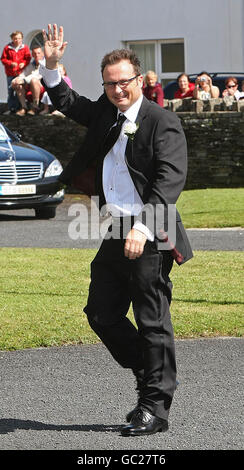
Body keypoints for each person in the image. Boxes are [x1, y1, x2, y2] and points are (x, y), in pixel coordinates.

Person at [41, 24, 193, 437]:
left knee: (151, 319)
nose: (116, 90)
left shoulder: (162, 121)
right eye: (109, 84)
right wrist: (52, 66)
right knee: (101, 314)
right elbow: (68, 102)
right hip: (115, 228)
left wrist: (143, 228)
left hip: (153, 227)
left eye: (123, 82)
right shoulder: (107, 113)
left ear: (139, 80)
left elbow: (169, 180)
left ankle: (155, 408)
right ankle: (150, 370)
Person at [1, 31, 31, 113]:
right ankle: (11, 108)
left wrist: (24, 63)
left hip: (21, 73)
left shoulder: (25, 48)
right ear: (12, 39)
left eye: (19, 38)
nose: (17, 40)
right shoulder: (7, 48)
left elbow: (28, 58)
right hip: (10, 73)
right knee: (11, 90)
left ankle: (20, 107)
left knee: (20, 89)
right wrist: (10, 63)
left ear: (22, 38)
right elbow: (3, 59)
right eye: (15, 38)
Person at [11, 47, 45, 116]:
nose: (37, 55)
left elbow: (38, 75)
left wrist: (23, 80)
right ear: (32, 55)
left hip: (44, 89)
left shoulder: (46, 64)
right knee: (18, 84)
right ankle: (24, 107)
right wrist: (16, 80)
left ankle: (35, 107)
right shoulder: (31, 65)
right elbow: (23, 74)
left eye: (38, 53)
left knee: (34, 80)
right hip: (31, 89)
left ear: (42, 54)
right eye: (34, 53)